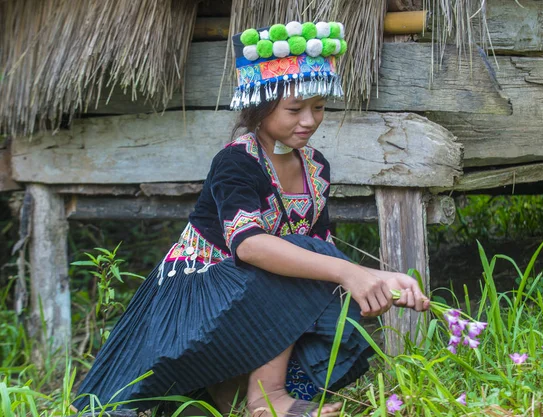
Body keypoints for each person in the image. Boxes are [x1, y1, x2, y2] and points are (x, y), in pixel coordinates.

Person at [73, 20, 430, 417]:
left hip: (249, 300)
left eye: (319, 107)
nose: (309, 120)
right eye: (294, 109)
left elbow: (323, 249)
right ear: (259, 108)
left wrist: (381, 278)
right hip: (198, 298)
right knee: (297, 259)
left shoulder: (316, 166)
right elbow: (251, 246)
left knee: (335, 287)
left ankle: (241, 400)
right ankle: (267, 397)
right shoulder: (236, 162)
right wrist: (350, 272)